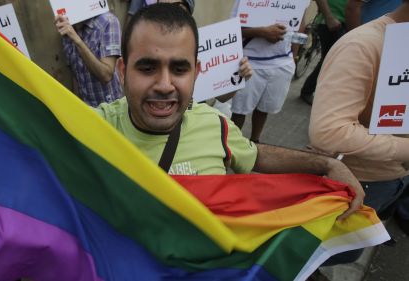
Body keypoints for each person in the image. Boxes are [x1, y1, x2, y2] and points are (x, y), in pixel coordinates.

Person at [95, 3, 364, 219]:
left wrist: (328, 164)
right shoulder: (86, 128)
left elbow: (255, 155)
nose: (165, 85)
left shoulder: (216, 125)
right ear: (122, 71)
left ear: (196, 73)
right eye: (147, 68)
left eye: (179, 69)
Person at [310, 0, 409, 244]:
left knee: (357, 244)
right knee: (329, 250)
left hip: (394, 179)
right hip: (358, 183)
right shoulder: (363, 45)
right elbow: (329, 132)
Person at [229, 0, 309, 143]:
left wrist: (294, 56)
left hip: (281, 62)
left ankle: (255, 142)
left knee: (264, 107)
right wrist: (262, 32)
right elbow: (232, 28)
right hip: (249, 62)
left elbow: (299, 24)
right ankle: (232, 146)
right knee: (239, 111)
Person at [54, 11, 123, 107]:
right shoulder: (67, 29)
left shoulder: (107, 22)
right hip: (87, 109)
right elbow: (75, 75)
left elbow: (106, 75)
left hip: (111, 109)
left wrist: (77, 40)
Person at [299, 0, 348, 105]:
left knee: (332, 61)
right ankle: (307, 91)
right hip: (334, 22)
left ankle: (311, 91)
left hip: (343, 21)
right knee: (329, 61)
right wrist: (329, 17)